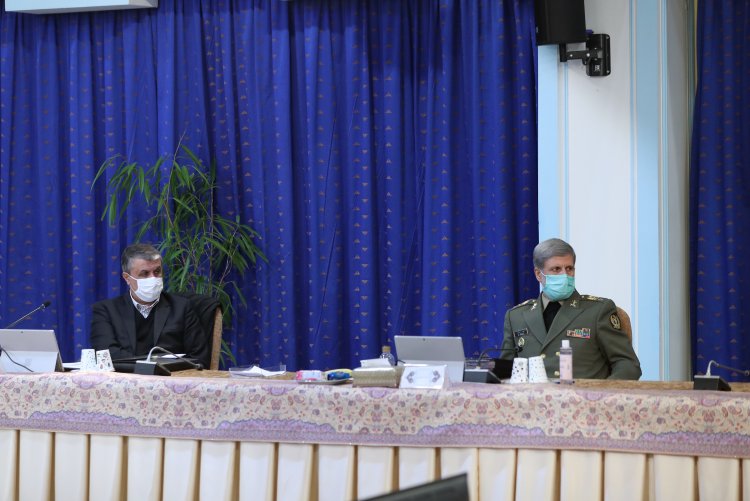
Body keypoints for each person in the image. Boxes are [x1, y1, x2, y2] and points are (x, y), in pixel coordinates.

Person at [501, 238, 641, 380]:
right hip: (532, 394)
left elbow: (628, 364)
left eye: (569, 268)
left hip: (583, 393)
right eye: (556, 269)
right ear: (538, 274)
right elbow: (505, 371)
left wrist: (603, 392)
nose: (565, 275)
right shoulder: (516, 317)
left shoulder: (598, 311)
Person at [90, 243, 210, 368]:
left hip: (171, 377)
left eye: (157, 272)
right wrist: (149, 367)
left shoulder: (181, 307)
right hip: (126, 378)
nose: (153, 278)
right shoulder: (106, 311)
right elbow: (105, 356)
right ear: (127, 278)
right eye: (144, 273)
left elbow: (199, 358)